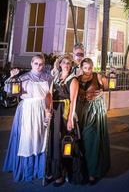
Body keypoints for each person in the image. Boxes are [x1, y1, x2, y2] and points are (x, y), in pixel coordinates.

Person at [3, 55, 53, 182]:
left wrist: (48, 110)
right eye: (36, 63)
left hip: (42, 110)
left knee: (41, 138)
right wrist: (12, 77)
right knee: (28, 138)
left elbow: (49, 96)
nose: (38, 66)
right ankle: (27, 170)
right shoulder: (24, 77)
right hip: (28, 110)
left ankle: (41, 169)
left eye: (41, 64)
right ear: (31, 64)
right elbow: (9, 91)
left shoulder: (47, 77)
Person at [46, 54, 84, 186]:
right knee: (53, 141)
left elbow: (73, 100)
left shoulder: (73, 79)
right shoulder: (56, 77)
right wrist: (48, 110)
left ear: (71, 65)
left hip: (65, 112)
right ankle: (53, 171)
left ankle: (62, 172)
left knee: (64, 142)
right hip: (55, 112)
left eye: (68, 63)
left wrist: (70, 119)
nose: (66, 65)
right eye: (64, 62)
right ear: (60, 64)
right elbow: (49, 95)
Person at [76, 58, 110, 185]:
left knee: (91, 138)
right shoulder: (78, 79)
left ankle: (93, 173)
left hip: (95, 110)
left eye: (90, 67)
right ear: (81, 68)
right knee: (81, 141)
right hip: (81, 111)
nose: (88, 70)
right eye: (85, 68)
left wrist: (106, 78)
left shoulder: (98, 76)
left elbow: (105, 88)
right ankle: (84, 169)